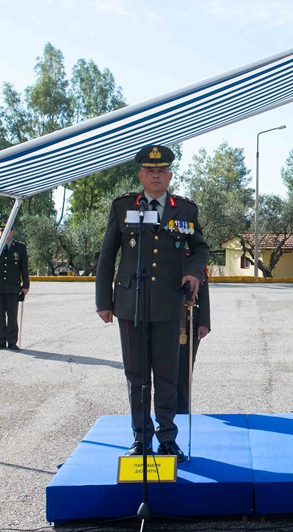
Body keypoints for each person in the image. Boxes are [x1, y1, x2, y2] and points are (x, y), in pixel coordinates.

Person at [95, 145, 209, 461]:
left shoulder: (184, 210)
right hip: (131, 302)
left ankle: (168, 439)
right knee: (136, 376)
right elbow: (107, 255)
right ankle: (141, 439)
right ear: (141, 175)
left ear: (170, 175)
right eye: (150, 171)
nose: (156, 175)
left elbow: (201, 249)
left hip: (169, 303)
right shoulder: (122, 207)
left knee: (167, 375)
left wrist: (192, 272)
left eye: (162, 171)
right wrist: (104, 300)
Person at [0, 220, 30, 351]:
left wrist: (25, 286)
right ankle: (0, 341)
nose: (3, 233)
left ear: (11, 231)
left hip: (13, 287)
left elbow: (24, 268)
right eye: (1, 231)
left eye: (6, 230)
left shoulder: (20, 247)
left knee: (12, 315)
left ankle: (11, 342)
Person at [176, 268, 210, 414]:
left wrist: (204, 323)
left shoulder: (194, 259)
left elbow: (203, 292)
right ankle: (165, 409)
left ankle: (182, 409)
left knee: (185, 369)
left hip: (189, 322)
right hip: (163, 319)